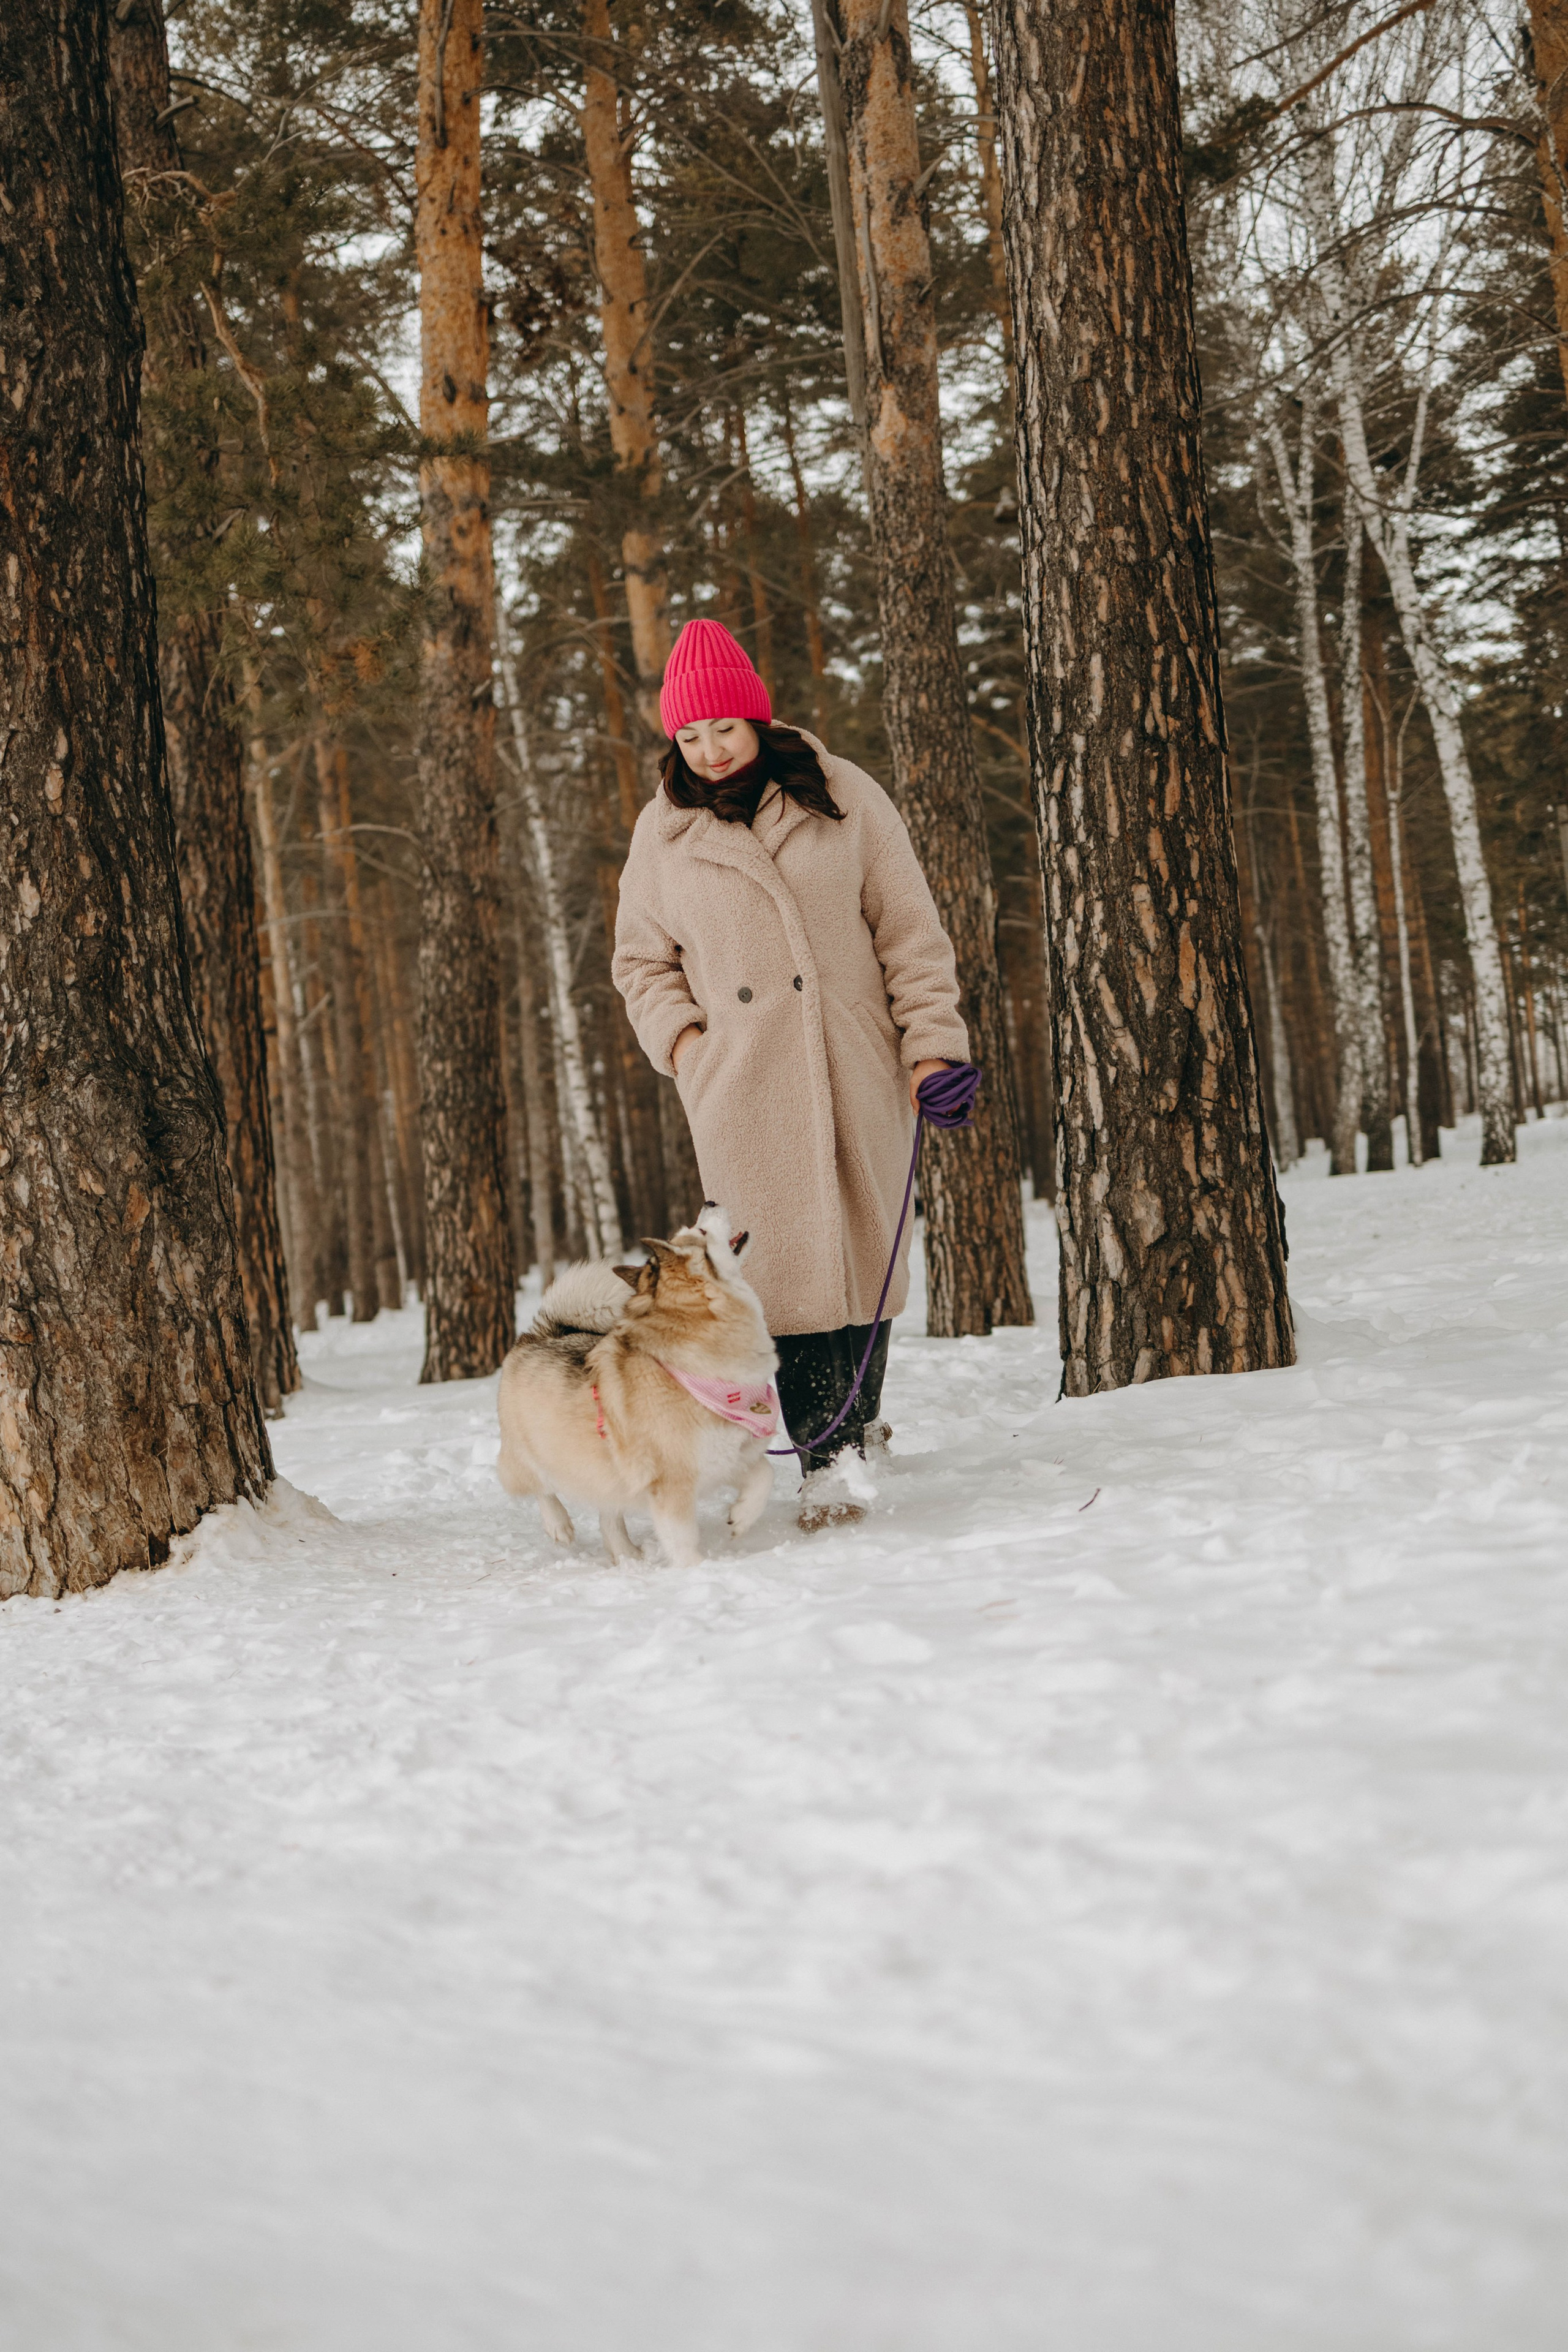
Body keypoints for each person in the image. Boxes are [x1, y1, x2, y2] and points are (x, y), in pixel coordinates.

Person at [611, 617, 968, 1531]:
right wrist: (688, 1045)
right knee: (784, 1272)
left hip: (854, 1061)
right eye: (688, 736)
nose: (708, 750)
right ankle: (826, 1458)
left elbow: (910, 934)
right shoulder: (664, 831)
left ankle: (852, 1432)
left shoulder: (844, 795)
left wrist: (934, 1049)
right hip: (743, 1084)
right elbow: (639, 963)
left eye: (722, 729)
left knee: (864, 1260)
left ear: (757, 718)